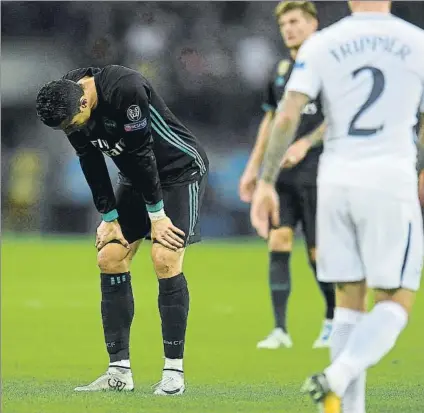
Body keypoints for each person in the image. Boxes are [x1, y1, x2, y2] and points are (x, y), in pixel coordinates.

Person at [250, 1, 424, 412]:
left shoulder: (324, 43)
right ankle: (337, 375)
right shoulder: (416, 42)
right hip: (388, 178)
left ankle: (348, 409)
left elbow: (287, 114)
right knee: (396, 300)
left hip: (334, 180)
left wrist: (265, 182)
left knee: (349, 301)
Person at [36, 65, 209, 395]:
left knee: (164, 257)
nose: (72, 130)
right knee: (110, 256)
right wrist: (108, 216)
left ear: (85, 103)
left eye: (72, 125)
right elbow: (89, 158)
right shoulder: (68, 97)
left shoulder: (124, 89)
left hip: (179, 170)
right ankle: (118, 373)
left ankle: (174, 373)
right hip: (135, 177)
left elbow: (143, 151)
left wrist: (157, 216)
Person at [239, 0, 334, 350]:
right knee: (278, 241)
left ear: (313, 23)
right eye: (284, 25)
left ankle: (333, 320)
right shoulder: (280, 70)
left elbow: (338, 116)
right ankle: (280, 329)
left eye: (295, 21)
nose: (289, 29)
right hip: (282, 176)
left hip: (320, 171)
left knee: (318, 252)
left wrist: (306, 143)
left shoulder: (330, 67)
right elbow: (270, 121)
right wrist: (254, 168)